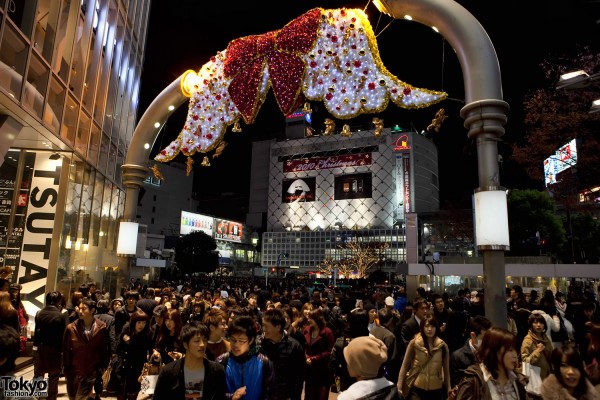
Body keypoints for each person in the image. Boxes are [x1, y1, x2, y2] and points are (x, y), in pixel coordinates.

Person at [155, 322, 227, 399]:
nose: (202, 344)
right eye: (197, 341)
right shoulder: (168, 372)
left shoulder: (217, 371)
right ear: (185, 344)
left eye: (205, 340)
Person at [455, 327, 528, 400]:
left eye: (515, 350)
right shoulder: (474, 380)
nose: (515, 355)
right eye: (510, 350)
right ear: (495, 351)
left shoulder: (518, 381)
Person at [216, 315, 276, 400]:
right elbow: (214, 394)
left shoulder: (264, 362)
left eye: (241, 341)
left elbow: (270, 394)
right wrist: (231, 397)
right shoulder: (222, 361)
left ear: (251, 340)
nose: (236, 345)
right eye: (233, 340)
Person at [62, 299, 110, 400]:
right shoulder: (71, 328)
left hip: (91, 369)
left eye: (84, 309)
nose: (80, 311)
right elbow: (66, 350)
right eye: (79, 308)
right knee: (73, 396)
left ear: (92, 310)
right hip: (74, 369)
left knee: (81, 397)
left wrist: (103, 367)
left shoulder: (101, 327)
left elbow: (103, 348)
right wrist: (66, 368)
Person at [397, 316, 451, 400]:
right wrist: (399, 386)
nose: (429, 329)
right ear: (422, 327)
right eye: (426, 326)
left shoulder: (443, 346)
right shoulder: (414, 343)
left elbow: (446, 372)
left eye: (432, 326)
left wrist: (449, 390)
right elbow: (404, 366)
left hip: (436, 390)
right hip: (417, 388)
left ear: (436, 328)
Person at [260, 308, 305, 400]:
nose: (263, 329)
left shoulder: (294, 347)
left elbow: (299, 377)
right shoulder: (258, 345)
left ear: (278, 327)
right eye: (263, 326)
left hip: (286, 396)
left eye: (266, 326)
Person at [338, 336, 397, 400]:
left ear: (360, 366)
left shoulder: (347, 397)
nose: (347, 364)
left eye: (351, 361)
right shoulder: (394, 390)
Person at [33, 291, 68, 400]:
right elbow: (63, 335)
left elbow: (36, 333)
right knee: (53, 376)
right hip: (55, 349)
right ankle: (51, 397)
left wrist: (35, 348)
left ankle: (38, 395)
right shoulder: (60, 316)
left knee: (39, 374)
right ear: (58, 301)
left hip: (41, 348)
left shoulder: (39, 313)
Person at [114, 310, 153, 400]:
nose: (141, 325)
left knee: (134, 392)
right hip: (123, 366)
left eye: (144, 323)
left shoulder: (147, 333)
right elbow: (119, 348)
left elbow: (148, 348)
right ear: (134, 322)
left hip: (138, 367)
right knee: (121, 392)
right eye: (139, 322)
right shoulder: (126, 329)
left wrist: (129, 341)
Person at [450, 315, 492, 388]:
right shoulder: (457, 357)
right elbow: (457, 386)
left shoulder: (491, 353)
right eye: (484, 339)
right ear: (473, 335)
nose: (488, 342)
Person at [304, 307, 335, 400]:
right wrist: (306, 357)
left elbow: (329, 351)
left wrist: (315, 358)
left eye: (311, 318)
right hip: (310, 371)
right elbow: (303, 346)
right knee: (309, 396)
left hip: (323, 371)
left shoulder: (327, 332)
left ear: (318, 318)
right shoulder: (306, 330)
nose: (309, 320)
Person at [521, 312, 553, 381]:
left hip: (547, 375)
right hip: (535, 377)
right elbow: (525, 361)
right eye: (535, 322)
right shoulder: (528, 340)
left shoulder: (545, 338)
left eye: (541, 323)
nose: (538, 325)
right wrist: (537, 351)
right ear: (531, 325)